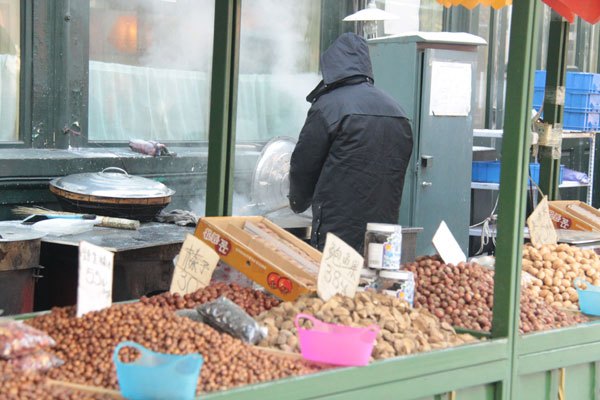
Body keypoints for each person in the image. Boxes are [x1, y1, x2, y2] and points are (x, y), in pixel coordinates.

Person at [288, 32, 413, 253]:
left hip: (338, 230)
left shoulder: (328, 107)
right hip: (384, 229)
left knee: (334, 286)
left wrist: (298, 202)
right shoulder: (397, 111)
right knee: (374, 283)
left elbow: (304, 163)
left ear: (332, 67)